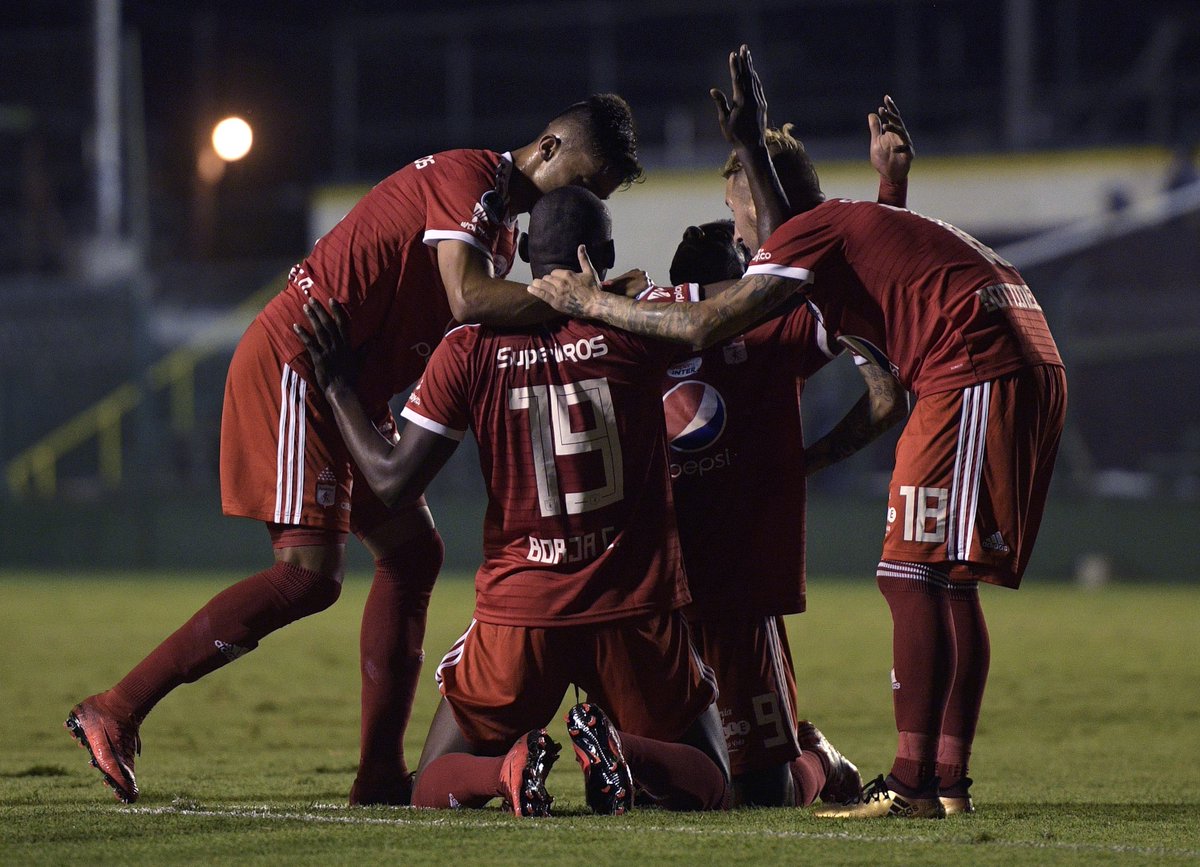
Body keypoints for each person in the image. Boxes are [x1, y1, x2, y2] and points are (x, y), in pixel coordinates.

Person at [531, 46, 1067, 820]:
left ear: (762, 202)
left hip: (974, 358)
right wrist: (802, 460)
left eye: (741, 210)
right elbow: (886, 377)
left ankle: (916, 783)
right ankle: (942, 783)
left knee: (912, 577)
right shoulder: (847, 235)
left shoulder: (804, 242)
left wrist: (593, 301)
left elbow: (705, 321)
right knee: (942, 579)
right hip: (1009, 346)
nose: (743, 235)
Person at [64, 94, 644, 807]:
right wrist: (585, 303)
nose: (583, 201)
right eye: (585, 182)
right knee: (309, 574)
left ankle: (377, 777)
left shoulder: (497, 230)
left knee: (413, 553)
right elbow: (465, 299)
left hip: (349, 387)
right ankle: (116, 709)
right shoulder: (470, 183)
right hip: (299, 363)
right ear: (549, 149)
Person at [295, 184, 812, 816]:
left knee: (432, 786)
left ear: (523, 262)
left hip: (522, 611)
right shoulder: (636, 324)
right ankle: (622, 749)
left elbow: (392, 480)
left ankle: (507, 772)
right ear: (607, 251)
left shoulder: (470, 347)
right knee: (710, 780)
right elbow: (759, 296)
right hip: (630, 609)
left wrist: (339, 386)